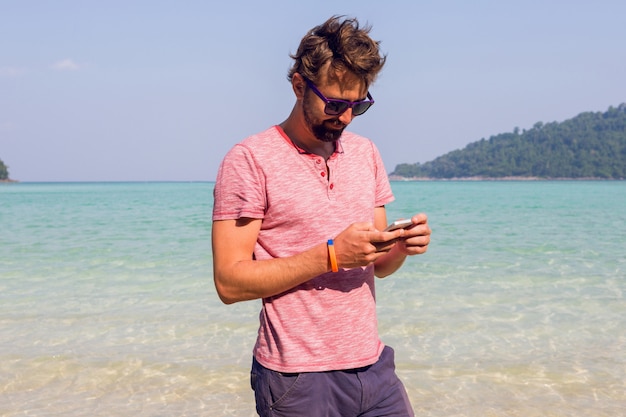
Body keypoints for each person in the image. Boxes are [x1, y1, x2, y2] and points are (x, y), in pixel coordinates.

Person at [212, 15, 431, 417]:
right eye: (334, 104)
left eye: (358, 106)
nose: (345, 118)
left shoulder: (366, 154)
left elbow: (377, 265)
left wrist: (400, 247)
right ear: (298, 85)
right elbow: (229, 283)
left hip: (374, 367)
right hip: (297, 380)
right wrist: (330, 255)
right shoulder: (249, 160)